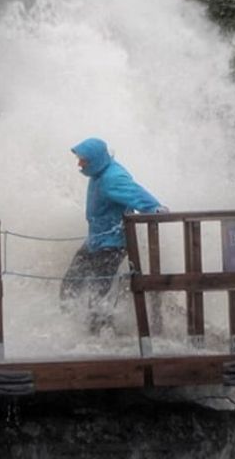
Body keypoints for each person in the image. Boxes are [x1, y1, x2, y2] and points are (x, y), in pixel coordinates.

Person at [61, 137, 166, 332]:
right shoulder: (98, 174)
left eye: (83, 159)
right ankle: (73, 327)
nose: (79, 164)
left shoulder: (112, 177)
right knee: (71, 282)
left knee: (99, 290)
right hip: (96, 240)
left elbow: (135, 193)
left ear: (95, 159)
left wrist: (155, 208)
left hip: (112, 243)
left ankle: (101, 333)